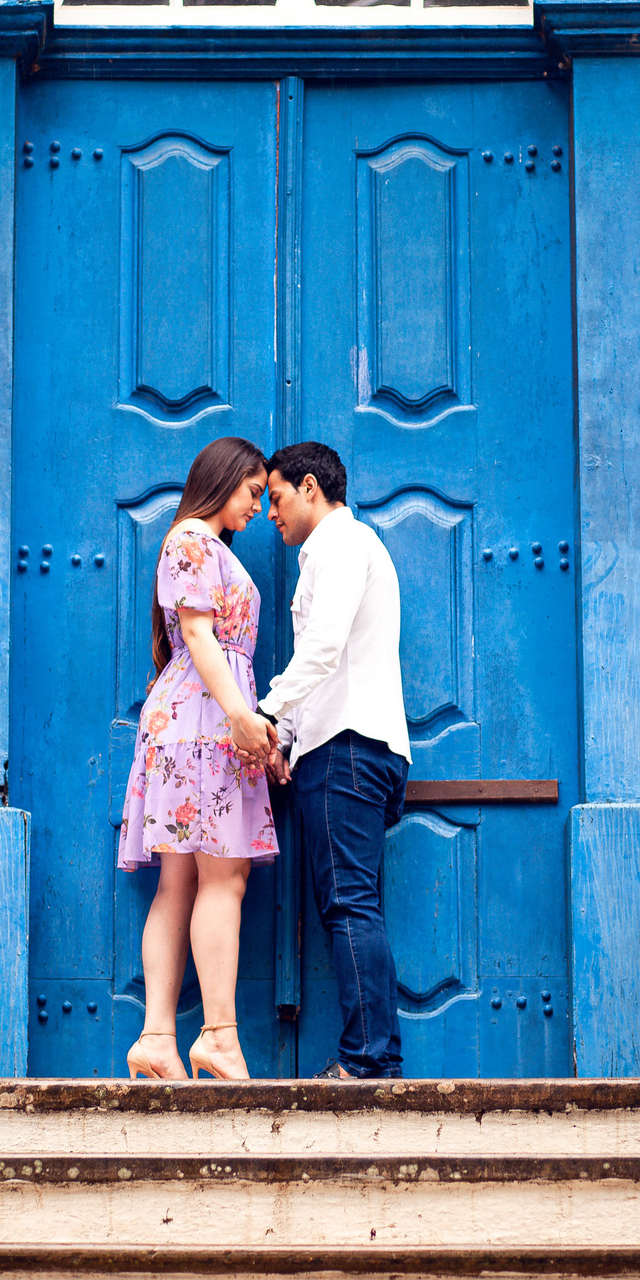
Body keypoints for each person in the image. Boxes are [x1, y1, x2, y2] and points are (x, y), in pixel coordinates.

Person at [118, 436, 279, 1081]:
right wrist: (241, 716)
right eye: (252, 492)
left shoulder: (201, 544)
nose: (258, 507)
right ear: (224, 478)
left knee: (181, 881)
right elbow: (195, 631)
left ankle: (158, 1038)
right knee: (223, 878)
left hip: (192, 721)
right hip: (205, 723)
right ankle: (217, 1037)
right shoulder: (192, 539)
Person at [257, 442, 410, 1079]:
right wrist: (286, 739)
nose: (270, 513)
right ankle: (374, 1056)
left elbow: (321, 648)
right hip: (349, 747)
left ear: (310, 487)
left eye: (276, 497)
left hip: (348, 749)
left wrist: (264, 713)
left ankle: (368, 1062)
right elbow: (324, 662)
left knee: (349, 904)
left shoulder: (341, 544)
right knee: (354, 903)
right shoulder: (339, 550)